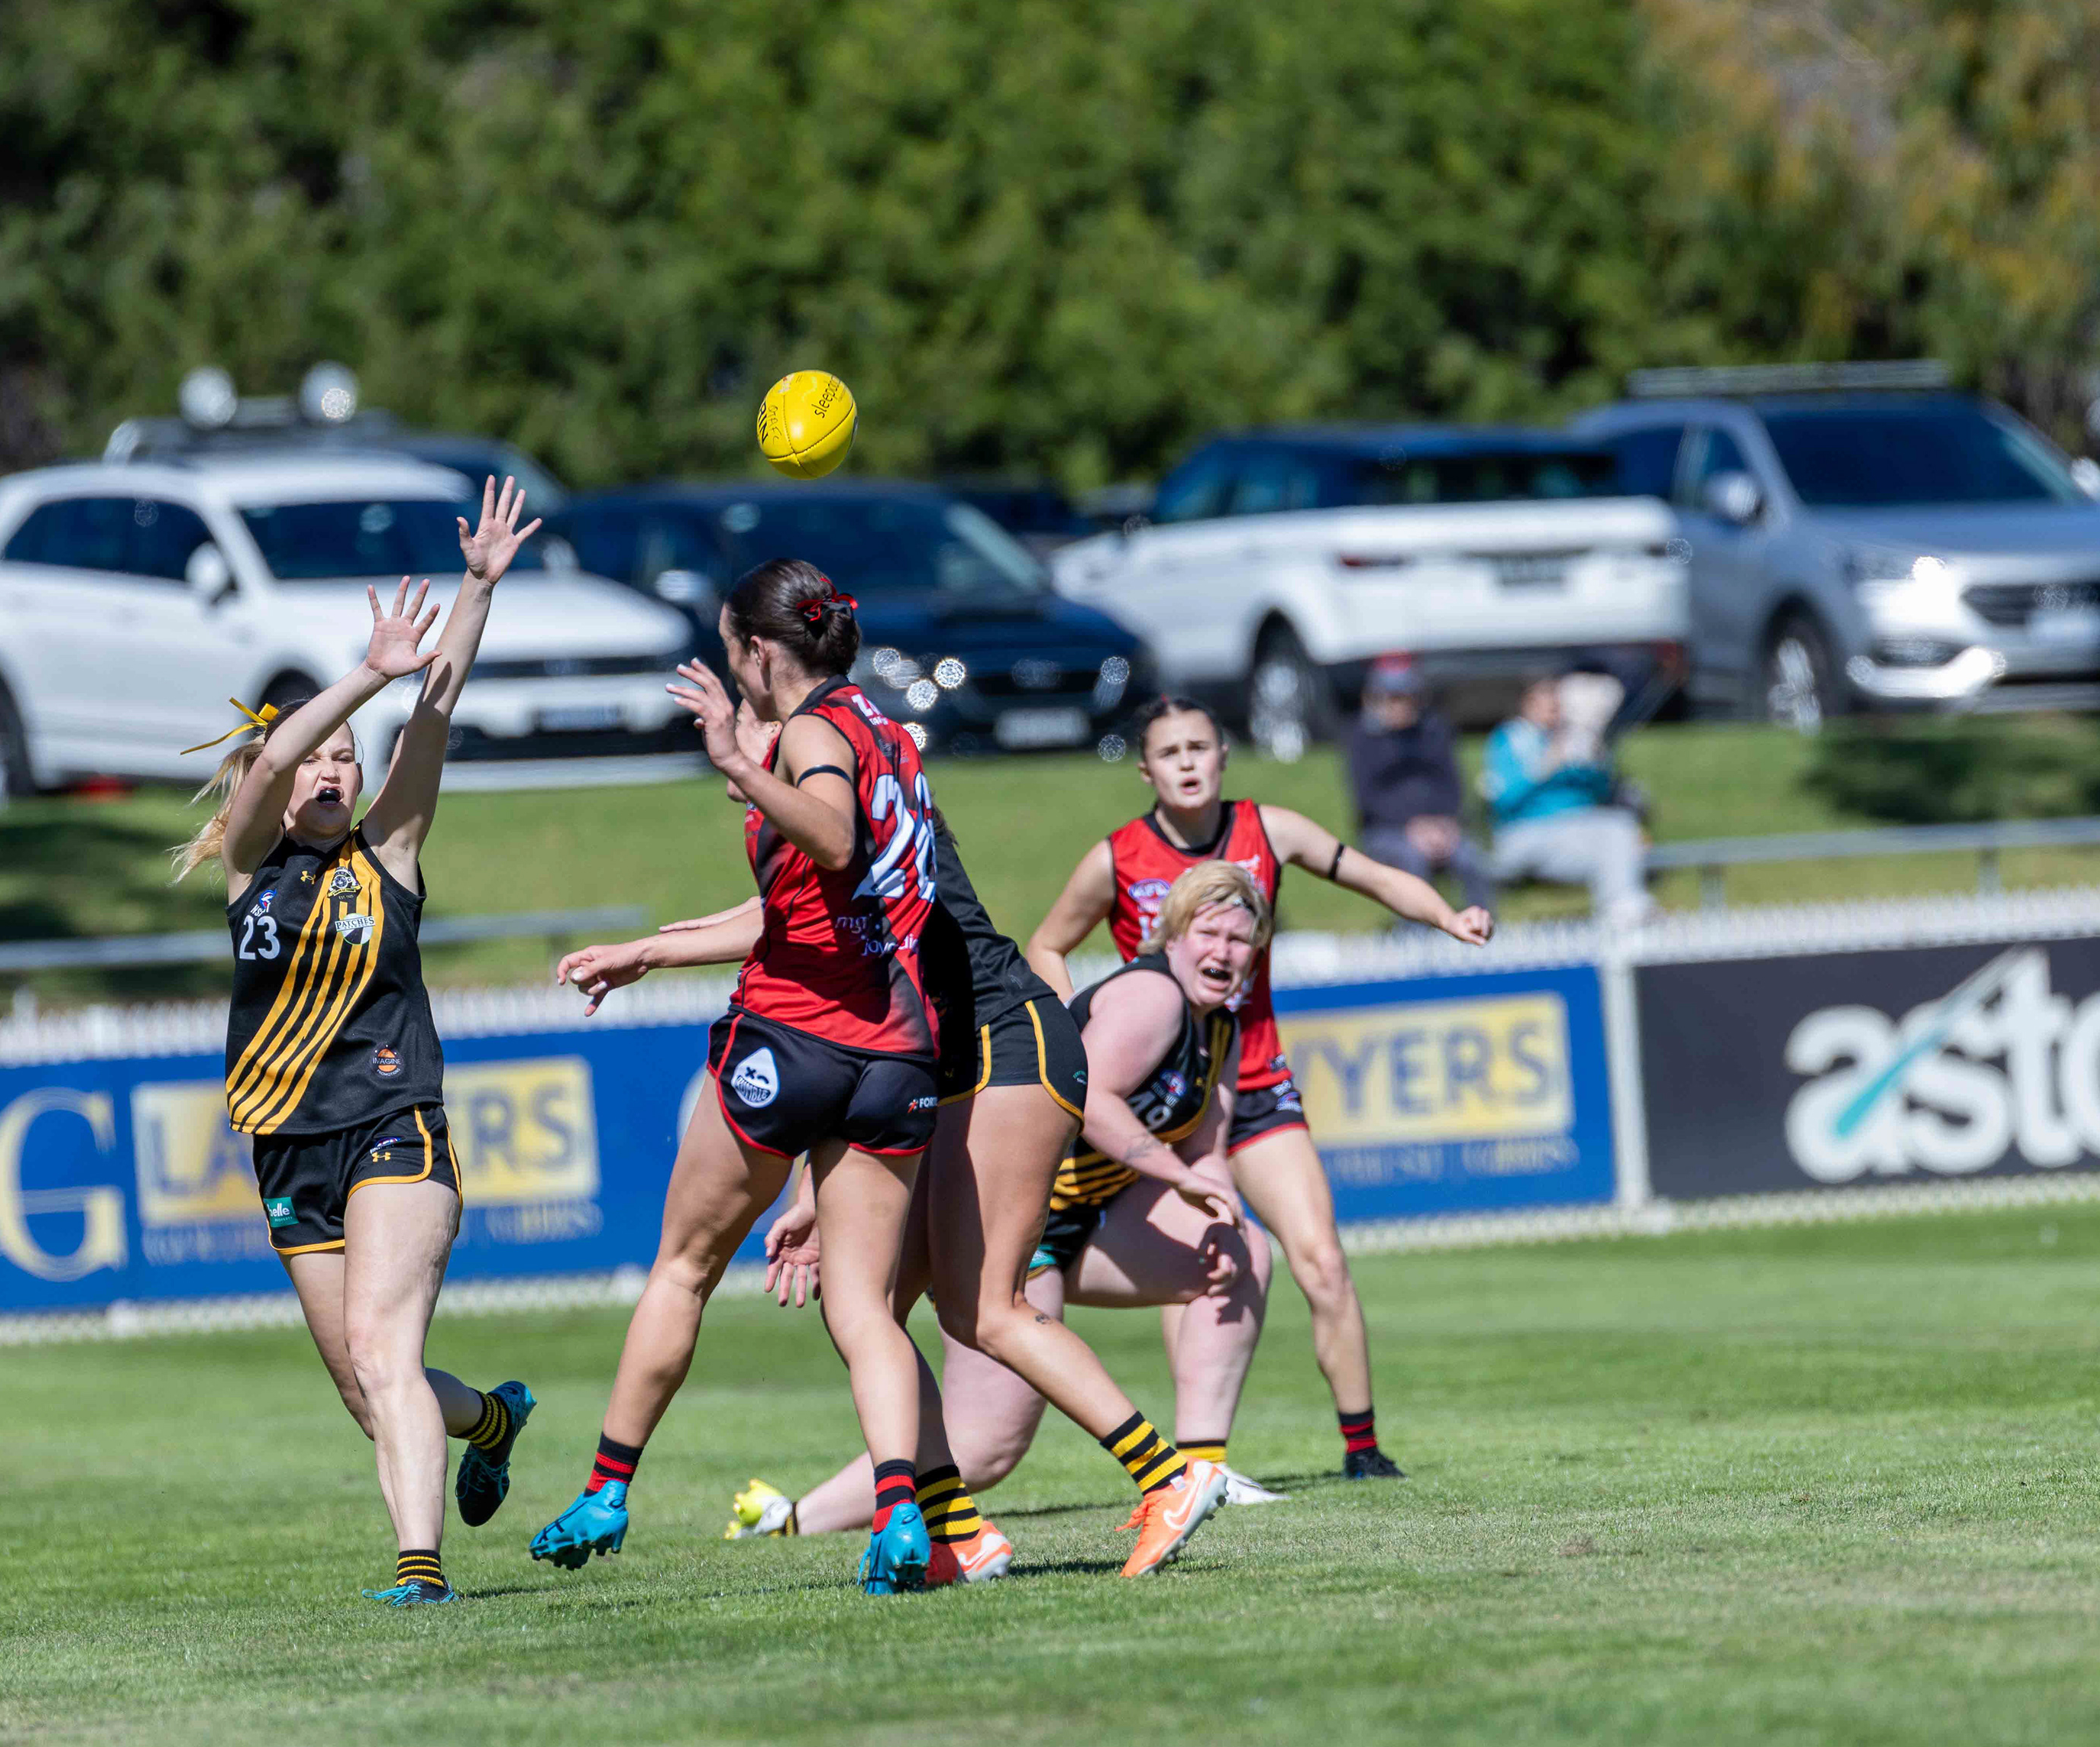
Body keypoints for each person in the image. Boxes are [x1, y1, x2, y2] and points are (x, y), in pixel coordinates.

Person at [565, 723, 1234, 1581]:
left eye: (750, 714)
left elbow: (787, 931)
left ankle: (1169, 1476)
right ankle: (956, 1529)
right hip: (957, 1059)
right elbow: (789, 921)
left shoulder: (853, 797)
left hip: (1005, 1043)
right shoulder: (842, 810)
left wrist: (652, 950)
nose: (728, 737)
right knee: (871, 1307)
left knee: (984, 1308)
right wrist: (813, 1195)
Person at [527, 557, 957, 1594]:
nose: (732, 672)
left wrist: (737, 757)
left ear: (762, 650)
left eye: (732, 651)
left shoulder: (811, 733)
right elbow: (812, 898)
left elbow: (832, 837)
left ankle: (607, 1491)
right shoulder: (890, 734)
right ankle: (902, 1513)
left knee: (684, 1267)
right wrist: (652, 949)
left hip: (795, 1038)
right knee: (864, 1308)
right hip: (897, 1048)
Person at [172, 477, 544, 1606]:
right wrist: (362, 676)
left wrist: (477, 591)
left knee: (385, 1353)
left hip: (394, 1124)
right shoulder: (250, 865)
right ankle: (490, 1419)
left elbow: (434, 713)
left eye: (346, 757)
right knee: (367, 1385)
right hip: (289, 1145)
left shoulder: (391, 852)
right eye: (317, 757)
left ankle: (419, 1572)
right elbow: (268, 763)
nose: (333, 770)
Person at [1028, 695, 1494, 1480]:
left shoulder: (1269, 829)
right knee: (1198, 1261)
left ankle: (1363, 1450)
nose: (1186, 761)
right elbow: (1047, 943)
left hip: (1256, 1083)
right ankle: (1200, 1464)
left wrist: (1447, 916)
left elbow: (1375, 875)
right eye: (1169, 750)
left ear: (1222, 756)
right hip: (1167, 1106)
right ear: (1145, 769)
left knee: (1321, 1259)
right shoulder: (1117, 857)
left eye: (1199, 746)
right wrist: (1078, 1035)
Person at [1480, 669, 1653, 925]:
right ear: (1526, 703)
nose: (1554, 708)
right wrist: (1544, 767)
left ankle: (1623, 914)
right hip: (1527, 833)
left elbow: (1600, 794)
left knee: (1620, 835)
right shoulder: (1511, 739)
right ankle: (1625, 914)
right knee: (1617, 835)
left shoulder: (1573, 738)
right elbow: (1504, 802)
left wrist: (1597, 762)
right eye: (1545, 700)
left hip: (1579, 830)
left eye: (1556, 701)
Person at [1344, 656, 1493, 907]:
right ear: (1376, 700)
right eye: (1393, 698)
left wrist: (1445, 823)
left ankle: (1482, 923)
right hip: (1387, 830)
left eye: (1407, 697)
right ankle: (1415, 929)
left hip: (1440, 826)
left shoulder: (1434, 732)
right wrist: (1412, 827)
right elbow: (1367, 799)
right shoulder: (1362, 739)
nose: (1401, 705)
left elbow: (1452, 785)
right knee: (1412, 861)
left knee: (1471, 857)